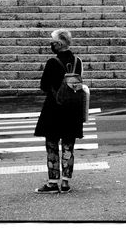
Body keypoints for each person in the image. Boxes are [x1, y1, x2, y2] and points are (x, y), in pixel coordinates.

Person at [34, 28, 84, 193]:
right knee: (69, 146)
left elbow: (43, 86)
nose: (51, 44)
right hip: (73, 109)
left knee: (52, 145)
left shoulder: (52, 62)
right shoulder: (78, 61)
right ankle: (65, 183)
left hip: (54, 109)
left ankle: (52, 182)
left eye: (52, 41)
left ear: (59, 43)